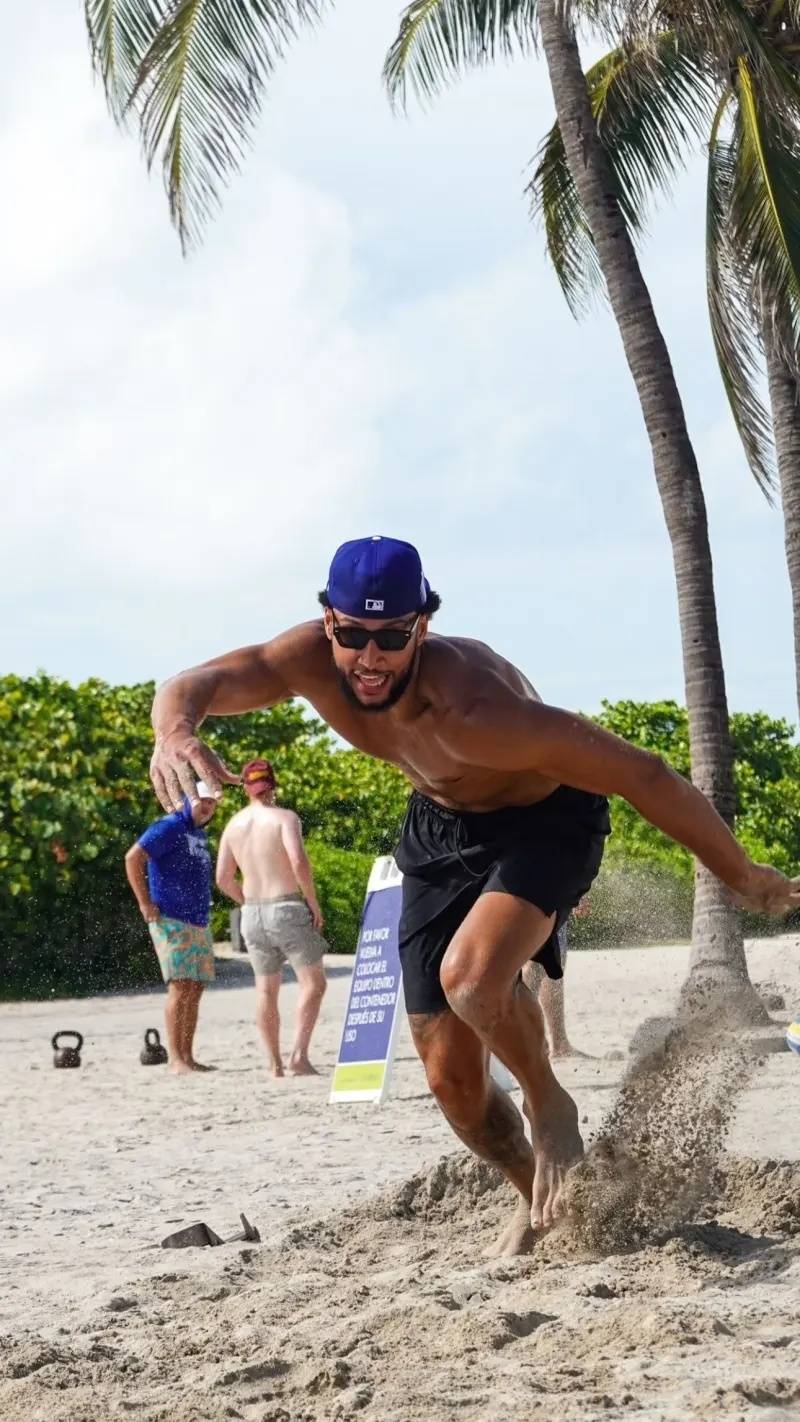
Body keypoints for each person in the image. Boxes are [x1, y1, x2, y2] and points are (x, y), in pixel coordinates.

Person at [147, 534, 799, 1253]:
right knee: (451, 1083)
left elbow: (641, 773)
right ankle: (549, 1207)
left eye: (391, 636)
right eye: (353, 635)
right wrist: (174, 732)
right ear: (327, 621)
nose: (369, 659)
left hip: (545, 823)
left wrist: (743, 875)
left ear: (422, 625)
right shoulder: (306, 660)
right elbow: (194, 681)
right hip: (437, 826)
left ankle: (550, 1102)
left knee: (472, 980)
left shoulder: (474, 707)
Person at [215, 758, 328, 1078]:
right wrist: (312, 900)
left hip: (252, 913)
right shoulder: (284, 818)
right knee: (314, 982)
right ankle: (299, 1055)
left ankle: (274, 1064)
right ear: (272, 785)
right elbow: (298, 860)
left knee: (265, 990)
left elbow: (223, 878)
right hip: (286, 907)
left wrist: (248, 902)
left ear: (247, 789)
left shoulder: (233, 826)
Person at [124, 782, 217, 1075]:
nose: (206, 807)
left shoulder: (198, 833)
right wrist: (144, 903)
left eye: (211, 803)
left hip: (198, 919)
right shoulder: (169, 826)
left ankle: (188, 1056)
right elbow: (133, 857)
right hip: (171, 917)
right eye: (201, 800)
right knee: (180, 985)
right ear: (187, 800)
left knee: (195, 987)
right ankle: (176, 1059)